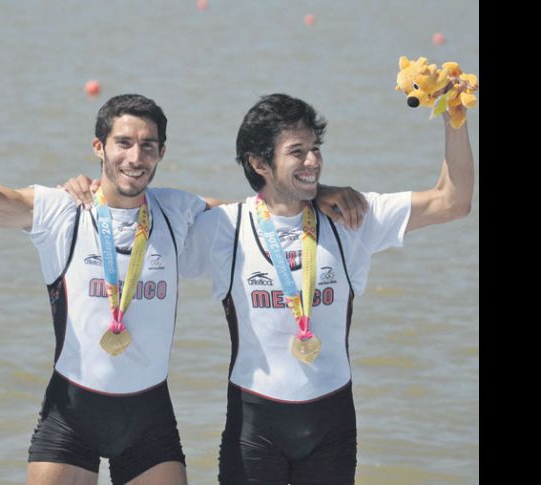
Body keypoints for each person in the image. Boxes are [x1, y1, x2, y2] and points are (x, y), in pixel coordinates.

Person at [0, 73, 366, 484]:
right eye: (124, 143)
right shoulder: (59, 210)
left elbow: (264, 212)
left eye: (148, 146)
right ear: (99, 147)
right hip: (71, 416)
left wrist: (314, 190)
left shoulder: (179, 211)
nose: (135, 157)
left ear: (161, 154)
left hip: (149, 422)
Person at [176, 93, 474, 484]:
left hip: (331, 428)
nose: (313, 161)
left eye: (315, 149)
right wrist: (100, 187)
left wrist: (455, 117)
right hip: (254, 430)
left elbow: (452, 201)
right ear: (259, 163)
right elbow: (149, 222)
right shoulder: (224, 229)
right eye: (297, 152)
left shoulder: (352, 216)